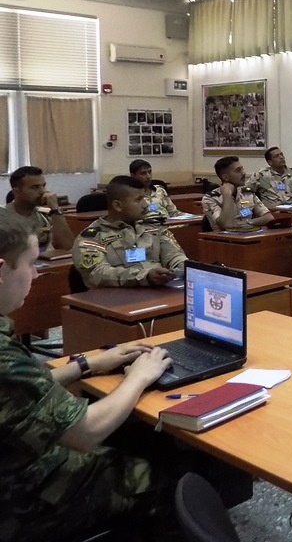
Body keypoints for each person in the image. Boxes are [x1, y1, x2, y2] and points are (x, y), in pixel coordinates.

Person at [0, 213, 174, 542]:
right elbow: (85, 433)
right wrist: (139, 376)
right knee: (167, 474)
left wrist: (86, 364)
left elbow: (18, 396)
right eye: (31, 264)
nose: (35, 275)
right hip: (22, 498)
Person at [72, 176, 187, 289]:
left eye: (145, 198)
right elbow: (96, 274)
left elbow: (174, 255)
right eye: (138, 199)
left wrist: (185, 268)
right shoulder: (92, 237)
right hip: (119, 297)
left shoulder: (152, 227)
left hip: (159, 291)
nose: (145, 204)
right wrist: (145, 276)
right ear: (118, 205)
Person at [4, 165, 74, 252]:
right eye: (35, 187)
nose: (43, 191)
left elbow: (66, 247)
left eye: (43, 186)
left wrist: (55, 209)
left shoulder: (46, 215)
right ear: (16, 192)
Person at [201, 156, 274, 231]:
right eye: (238, 171)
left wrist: (247, 222)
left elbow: (269, 217)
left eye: (242, 169)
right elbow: (225, 224)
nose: (244, 173)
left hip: (247, 234)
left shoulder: (247, 193)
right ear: (226, 177)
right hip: (223, 237)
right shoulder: (210, 198)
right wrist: (227, 195)